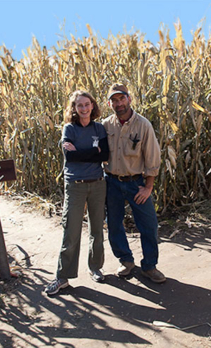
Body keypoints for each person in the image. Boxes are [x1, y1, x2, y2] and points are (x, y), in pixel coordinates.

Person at [45, 90, 109, 295]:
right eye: (79, 105)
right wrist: (93, 153)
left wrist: (84, 153)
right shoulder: (69, 129)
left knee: (97, 229)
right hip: (75, 185)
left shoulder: (99, 128)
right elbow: (70, 158)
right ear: (74, 108)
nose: (83, 108)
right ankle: (63, 277)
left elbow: (105, 154)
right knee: (71, 231)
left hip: (98, 184)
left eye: (87, 104)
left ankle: (95, 267)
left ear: (92, 106)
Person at [103, 83, 166, 283]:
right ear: (109, 103)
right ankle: (126, 260)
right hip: (111, 182)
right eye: (114, 100)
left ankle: (149, 266)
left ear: (129, 99)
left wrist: (148, 187)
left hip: (136, 183)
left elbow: (153, 158)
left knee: (148, 225)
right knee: (114, 224)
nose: (118, 103)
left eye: (121, 99)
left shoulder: (143, 124)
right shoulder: (105, 126)